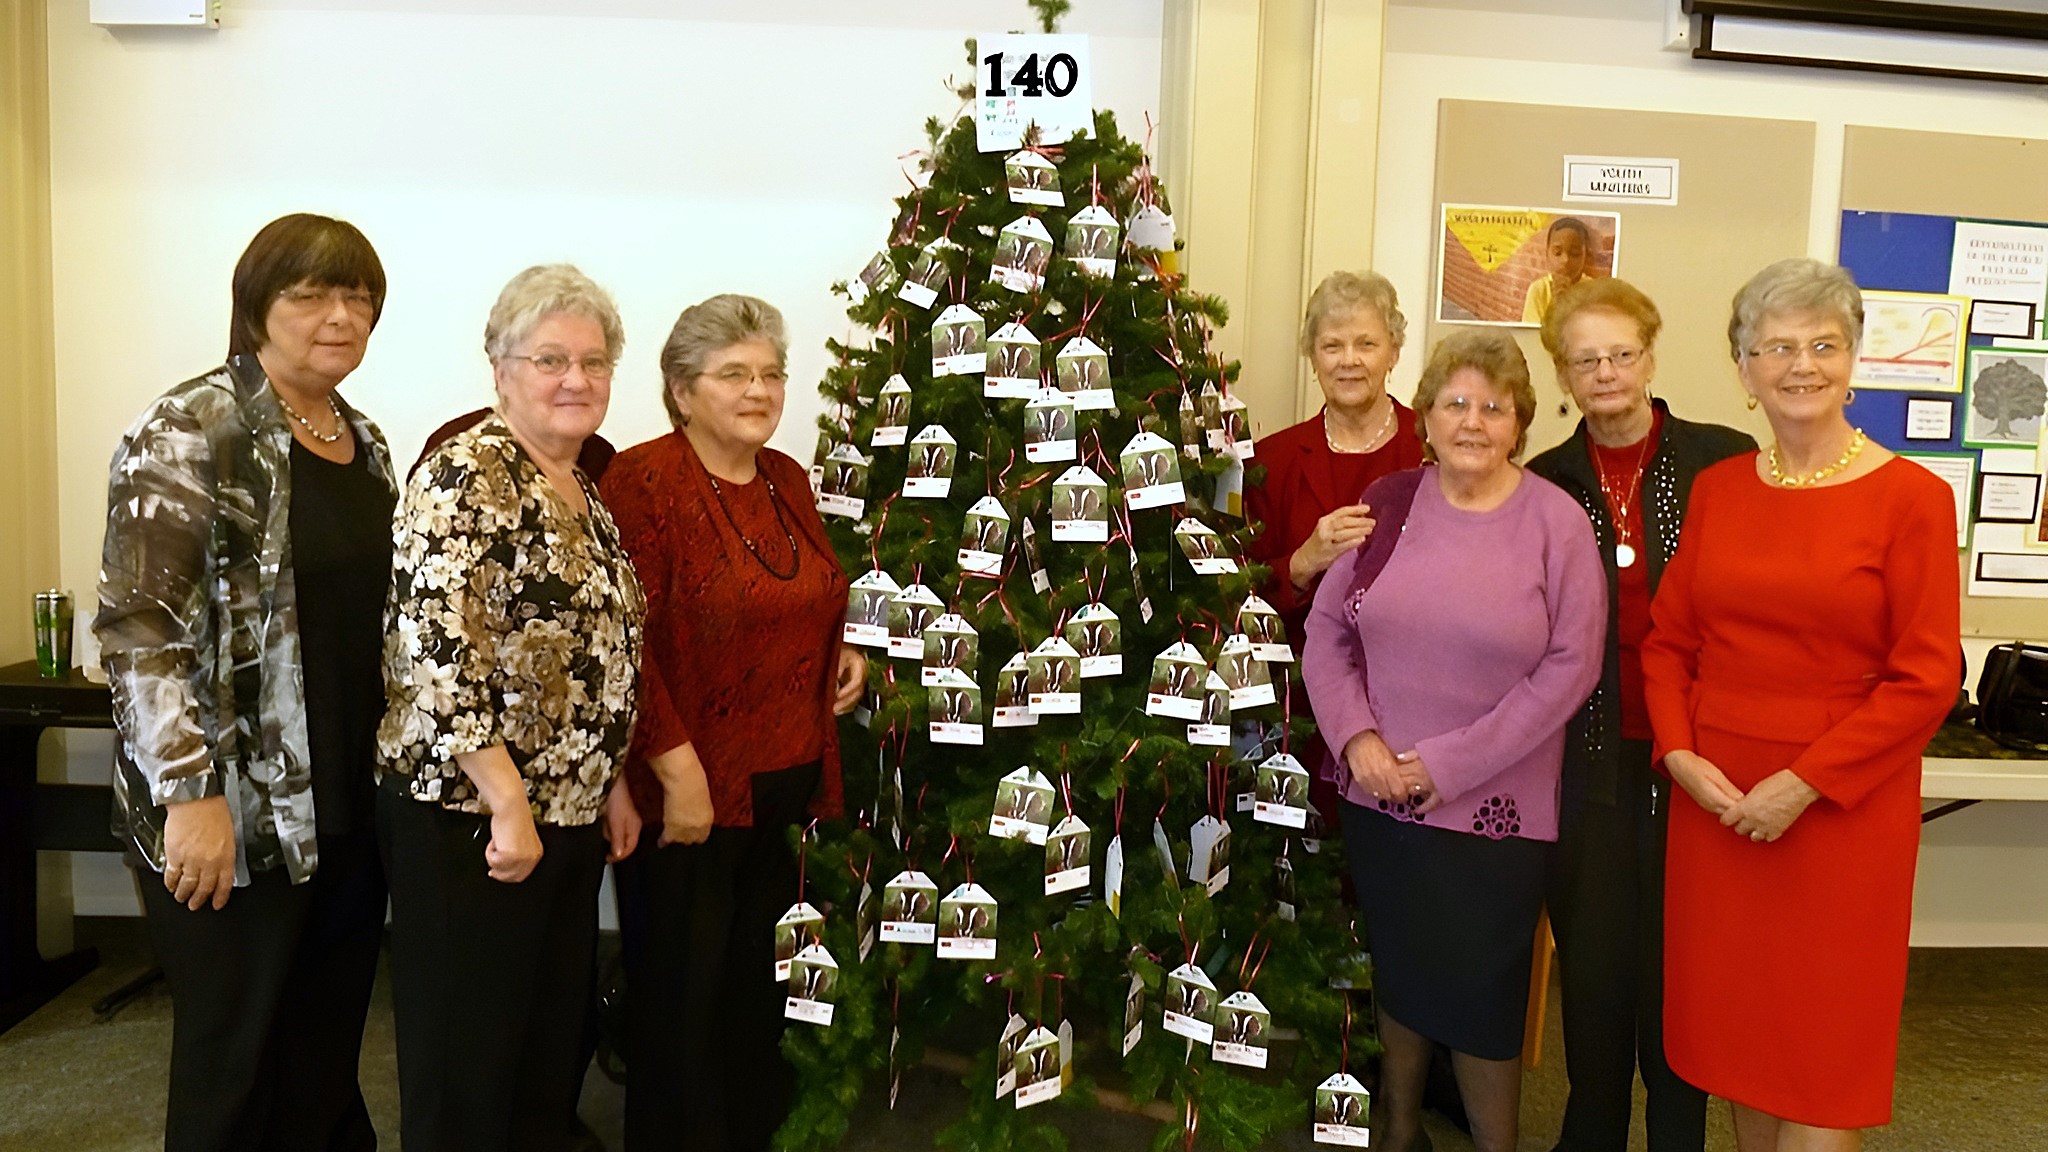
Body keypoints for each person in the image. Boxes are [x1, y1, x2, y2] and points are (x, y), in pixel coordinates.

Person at [1641, 258, 1961, 1151]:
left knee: (1822, 1051)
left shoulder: (1913, 499)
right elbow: (1668, 645)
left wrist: (1805, 783)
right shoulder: (1720, 489)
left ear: (1853, 361)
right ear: (1744, 370)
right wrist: (1678, 754)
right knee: (1741, 1039)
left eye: (1824, 344)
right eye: (1776, 347)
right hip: (1717, 806)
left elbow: (1927, 677)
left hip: (1840, 814)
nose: (1801, 365)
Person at [94, 213, 393, 1152]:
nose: (340, 316)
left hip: (343, 802)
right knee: (235, 1066)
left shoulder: (365, 440)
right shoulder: (191, 426)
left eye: (359, 298)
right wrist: (190, 796)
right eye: (311, 295)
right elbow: (140, 630)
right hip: (230, 811)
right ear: (256, 307)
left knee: (322, 1057)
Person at [1303, 329, 1606, 1152]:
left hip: (1495, 811)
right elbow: (1328, 632)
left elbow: (1572, 667)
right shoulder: (1391, 501)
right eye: (1456, 403)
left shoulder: (1556, 521)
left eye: (1494, 407)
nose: (1473, 421)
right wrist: (1357, 741)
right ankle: (1399, 1129)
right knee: (1400, 973)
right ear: (1427, 418)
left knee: (1482, 994)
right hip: (1380, 798)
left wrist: (1447, 764)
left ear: (1520, 423)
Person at [377, 264, 645, 1152]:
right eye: (550, 359)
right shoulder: (467, 473)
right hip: (472, 817)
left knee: (541, 1054)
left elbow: (597, 655)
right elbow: (438, 653)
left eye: (594, 362)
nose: (576, 379)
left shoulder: (579, 485)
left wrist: (608, 781)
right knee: (469, 1063)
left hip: (562, 811)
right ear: (500, 369)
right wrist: (507, 800)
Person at [600, 294, 865, 1152]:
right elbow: (624, 644)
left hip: (787, 778)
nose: (759, 391)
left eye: (771, 374)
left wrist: (842, 651)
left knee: (757, 994)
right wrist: (672, 766)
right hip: (691, 788)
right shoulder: (643, 483)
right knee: (682, 1002)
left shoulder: (785, 477)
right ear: (682, 391)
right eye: (734, 375)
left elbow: (806, 591)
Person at [1527, 278, 1756, 1152]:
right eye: (1585, 359)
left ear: (1651, 356)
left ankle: (1677, 1136)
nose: (1606, 373)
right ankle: (1590, 1130)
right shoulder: (1544, 482)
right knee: (1594, 968)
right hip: (1584, 761)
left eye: (1621, 354)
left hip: (1696, 759)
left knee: (1680, 969)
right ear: (1563, 374)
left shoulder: (1723, 461)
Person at [1244, 270, 1426, 820]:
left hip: (1413, 710)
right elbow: (1234, 594)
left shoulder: (1433, 450)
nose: (1349, 360)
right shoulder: (1271, 461)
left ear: (1393, 352)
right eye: (1332, 346)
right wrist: (1302, 564)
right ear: (1313, 356)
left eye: (1366, 344)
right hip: (1297, 712)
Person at [1522, 217, 1594, 324]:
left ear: (1586, 255)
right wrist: (1555, 306)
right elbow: (1531, 331)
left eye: (1574, 253)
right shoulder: (1538, 289)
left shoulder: (1593, 289)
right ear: (1547, 255)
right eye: (1557, 253)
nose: (1565, 260)